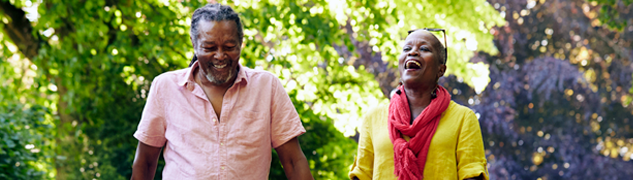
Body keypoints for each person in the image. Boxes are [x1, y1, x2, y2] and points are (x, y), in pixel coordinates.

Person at [130, 3, 313, 180]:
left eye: (229, 47)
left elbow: (293, 161)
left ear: (241, 43)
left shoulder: (267, 86)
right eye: (209, 48)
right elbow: (145, 162)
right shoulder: (165, 87)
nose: (220, 56)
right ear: (194, 43)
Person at [349, 29, 488, 180]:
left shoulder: (463, 118)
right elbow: (361, 175)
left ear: (440, 69)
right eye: (407, 49)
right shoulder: (373, 118)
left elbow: (472, 175)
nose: (413, 53)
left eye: (424, 49)